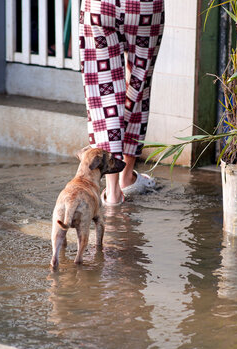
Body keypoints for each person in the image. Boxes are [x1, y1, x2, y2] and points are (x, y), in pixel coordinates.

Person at [79, 0, 165, 205]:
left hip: (100, 6)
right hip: (145, 8)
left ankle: (112, 191)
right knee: (138, 86)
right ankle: (126, 178)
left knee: (104, 98)